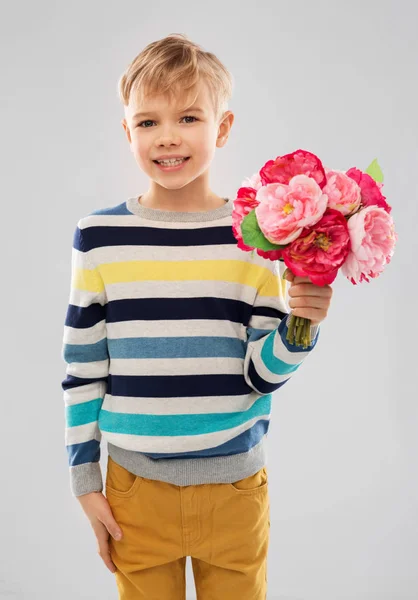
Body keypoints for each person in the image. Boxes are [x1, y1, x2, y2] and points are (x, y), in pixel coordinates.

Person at [61, 33, 333, 600]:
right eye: (147, 122)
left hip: (235, 488)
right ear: (127, 131)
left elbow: (261, 374)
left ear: (223, 127)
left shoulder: (256, 239)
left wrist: (300, 327)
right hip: (134, 491)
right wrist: (85, 480)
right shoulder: (100, 238)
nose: (167, 138)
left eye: (188, 117)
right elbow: (84, 366)